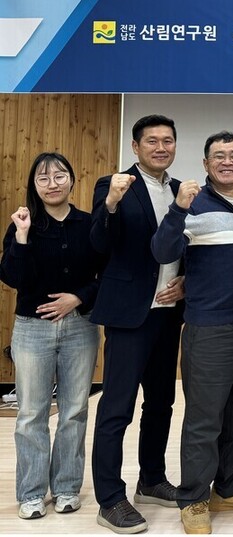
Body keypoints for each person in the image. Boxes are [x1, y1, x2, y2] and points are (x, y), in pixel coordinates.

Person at [151, 131, 233, 534]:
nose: (228, 161)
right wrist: (177, 209)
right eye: (219, 155)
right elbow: (162, 251)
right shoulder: (192, 204)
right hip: (208, 327)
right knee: (204, 418)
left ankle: (230, 487)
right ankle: (193, 498)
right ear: (206, 163)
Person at [90, 114, 185, 534]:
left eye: (168, 141)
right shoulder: (114, 185)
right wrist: (110, 204)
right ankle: (110, 499)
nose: (161, 148)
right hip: (130, 314)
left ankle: (152, 480)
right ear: (135, 146)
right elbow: (99, 243)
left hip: (169, 313)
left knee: (161, 403)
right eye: (152, 141)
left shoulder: (181, 190)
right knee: (117, 408)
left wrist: (186, 281)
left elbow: (190, 246)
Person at [1, 153, 102, 520]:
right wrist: (22, 236)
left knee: (74, 410)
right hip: (32, 329)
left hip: (81, 326)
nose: (52, 184)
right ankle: (30, 493)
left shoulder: (89, 224)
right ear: (34, 185)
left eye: (59, 176)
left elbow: (107, 275)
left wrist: (78, 297)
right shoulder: (23, 223)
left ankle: (67, 488)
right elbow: (13, 277)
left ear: (72, 180)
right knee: (31, 414)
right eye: (43, 178)